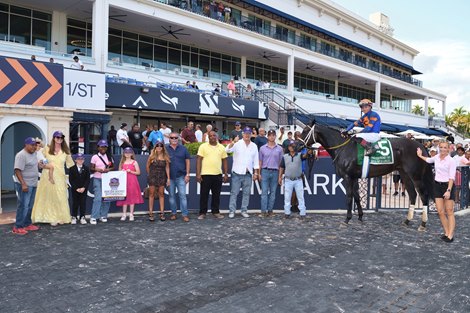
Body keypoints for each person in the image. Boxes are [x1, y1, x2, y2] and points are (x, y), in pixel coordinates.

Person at [32, 131, 74, 226]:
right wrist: (41, 164)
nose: (59, 139)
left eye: (61, 137)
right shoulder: (46, 149)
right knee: (49, 196)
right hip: (47, 176)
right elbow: (38, 155)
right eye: (57, 137)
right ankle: (51, 217)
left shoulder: (66, 151)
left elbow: (70, 165)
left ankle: (61, 216)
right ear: (54, 138)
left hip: (60, 177)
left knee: (60, 197)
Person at [417, 141, 457, 242]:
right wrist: (420, 155)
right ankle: (446, 232)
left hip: (448, 186)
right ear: (439, 148)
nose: (443, 149)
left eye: (445, 148)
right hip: (437, 186)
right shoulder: (437, 157)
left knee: (449, 211)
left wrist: (448, 190)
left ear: (449, 149)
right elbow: (429, 160)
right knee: (440, 211)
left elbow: (452, 177)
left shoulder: (451, 161)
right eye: (441, 147)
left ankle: (450, 235)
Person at [226, 127, 259, 218]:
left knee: (246, 193)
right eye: (245, 133)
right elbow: (227, 150)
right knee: (234, 193)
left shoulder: (254, 146)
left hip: (248, 174)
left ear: (251, 134)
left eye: (249, 133)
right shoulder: (237, 144)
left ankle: (244, 210)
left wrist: (256, 173)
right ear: (242, 134)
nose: (247, 135)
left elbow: (256, 160)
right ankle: (232, 211)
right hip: (237, 173)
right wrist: (233, 142)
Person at [196, 131, 229, 219]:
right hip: (205, 174)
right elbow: (199, 160)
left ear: (217, 137)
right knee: (204, 195)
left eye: (214, 135)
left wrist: (226, 173)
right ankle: (202, 213)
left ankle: (216, 212)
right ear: (208, 137)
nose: (212, 137)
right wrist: (198, 174)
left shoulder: (221, 147)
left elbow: (225, 160)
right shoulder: (203, 146)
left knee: (216, 195)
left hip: (218, 174)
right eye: (210, 136)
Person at [12, 137, 41, 235]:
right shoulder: (21, 155)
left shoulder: (34, 154)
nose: (34, 147)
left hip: (33, 184)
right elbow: (17, 170)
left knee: (30, 206)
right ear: (26, 145)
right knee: (23, 206)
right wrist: (23, 184)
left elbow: (33, 165)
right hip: (24, 185)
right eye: (32, 145)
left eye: (35, 145)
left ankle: (27, 224)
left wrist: (40, 164)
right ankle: (18, 226)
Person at [279, 140, 308, 219]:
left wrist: (309, 150)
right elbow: (282, 167)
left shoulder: (299, 155)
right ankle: (287, 212)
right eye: (291, 146)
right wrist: (280, 177)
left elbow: (305, 156)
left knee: (300, 197)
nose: (292, 147)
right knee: (287, 197)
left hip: (298, 179)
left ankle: (302, 213)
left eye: (293, 146)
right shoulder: (285, 156)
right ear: (288, 147)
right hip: (288, 179)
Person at [258, 129, 283, 217]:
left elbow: (281, 164)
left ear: (275, 136)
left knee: (273, 193)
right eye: (270, 135)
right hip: (265, 171)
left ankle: (270, 210)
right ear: (267, 137)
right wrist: (259, 173)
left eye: (273, 135)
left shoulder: (280, 149)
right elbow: (260, 161)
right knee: (264, 192)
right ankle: (263, 211)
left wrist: (280, 176)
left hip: (275, 172)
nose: (272, 137)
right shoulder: (262, 148)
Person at [167, 133, 191, 222]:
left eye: (176, 137)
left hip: (181, 176)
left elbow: (188, 162)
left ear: (178, 138)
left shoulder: (183, 149)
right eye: (172, 137)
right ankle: (173, 213)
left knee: (183, 196)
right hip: (170, 177)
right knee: (171, 196)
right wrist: (167, 178)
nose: (174, 139)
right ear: (169, 139)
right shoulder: (165, 149)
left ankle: (184, 214)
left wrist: (187, 174)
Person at [89, 140, 115, 225]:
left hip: (107, 180)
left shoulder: (109, 156)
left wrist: (108, 170)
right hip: (97, 179)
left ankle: (103, 215)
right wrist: (97, 169)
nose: (103, 148)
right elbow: (91, 168)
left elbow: (113, 167)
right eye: (101, 146)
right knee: (98, 198)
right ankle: (94, 216)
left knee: (107, 198)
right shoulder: (95, 157)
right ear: (98, 147)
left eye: (105, 147)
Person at [117, 147, 144, 221]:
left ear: (131, 153)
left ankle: (131, 214)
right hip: (123, 182)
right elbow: (118, 173)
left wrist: (130, 171)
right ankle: (124, 214)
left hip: (132, 181)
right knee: (124, 197)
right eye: (126, 152)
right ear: (124, 153)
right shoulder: (122, 162)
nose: (127, 154)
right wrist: (122, 171)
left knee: (132, 197)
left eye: (129, 152)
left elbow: (138, 172)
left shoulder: (134, 162)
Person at [146, 140, 170, 222]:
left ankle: (162, 213)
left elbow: (167, 168)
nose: (159, 147)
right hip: (153, 176)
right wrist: (150, 175)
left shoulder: (165, 156)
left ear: (163, 148)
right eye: (157, 146)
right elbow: (147, 167)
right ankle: (150, 213)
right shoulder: (151, 156)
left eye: (161, 146)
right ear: (155, 147)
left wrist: (169, 178)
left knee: (161, 194)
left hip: (162, 177)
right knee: (151, 194)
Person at [68, 153, 90, 225]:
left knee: (83, 203)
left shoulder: (86, 168)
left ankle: (82, 217)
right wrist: (76, 188)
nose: (80, 160)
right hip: (75, 190)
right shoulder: (72, 169)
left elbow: (87, 179)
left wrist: (84, 187)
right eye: (78, 159)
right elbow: (71, 180)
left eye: (82, 159)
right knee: (75, 203)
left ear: (83, 160)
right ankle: (74, 216)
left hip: (83, 189)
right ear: (75, 160)